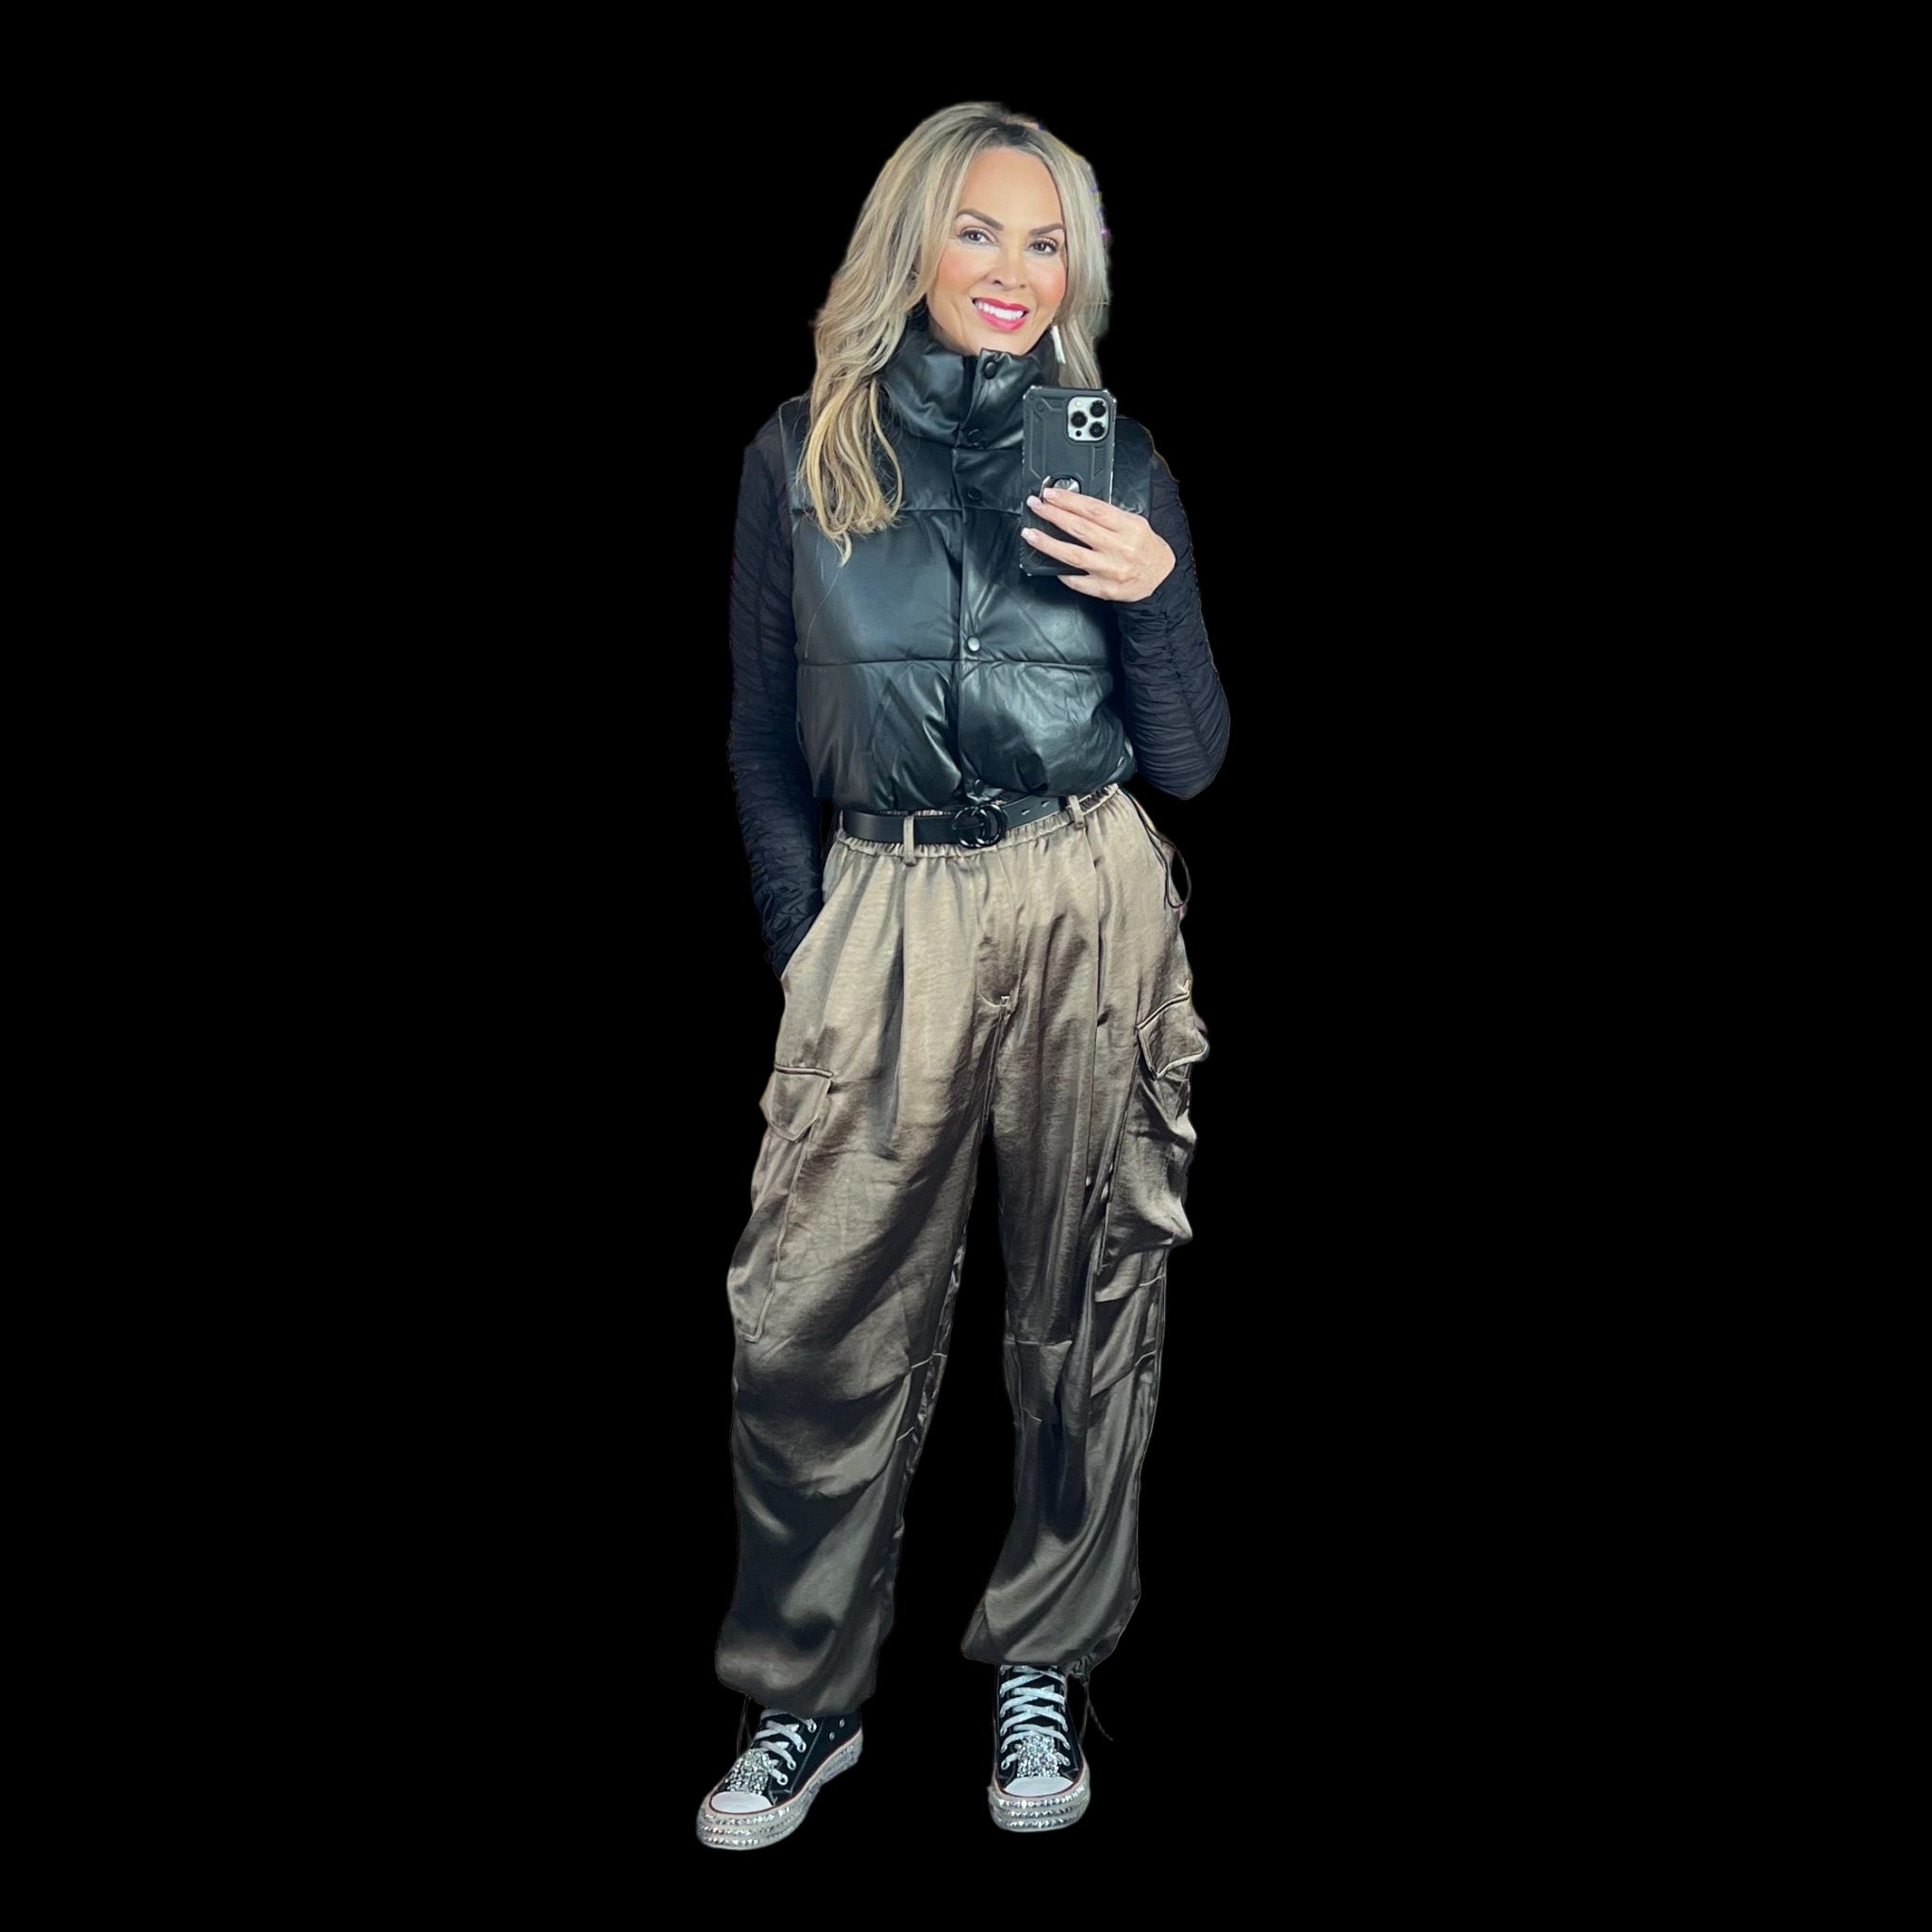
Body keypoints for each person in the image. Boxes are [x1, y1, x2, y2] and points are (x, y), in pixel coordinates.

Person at [698, 102, 1231, 1851]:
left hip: (1088, 893)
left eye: (1047, 241)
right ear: (912, 241)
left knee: (1087, 1302)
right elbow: (761, 736)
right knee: (810, 1320)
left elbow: (1192, 758)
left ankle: (1044, 1659)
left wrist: (1158, 593)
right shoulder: (805, 452)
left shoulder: (1116, 455)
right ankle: (807, 1691)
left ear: (1079, 271)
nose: (1013, 271)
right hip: (886, 907)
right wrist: (812, 946)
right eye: (981, 230)